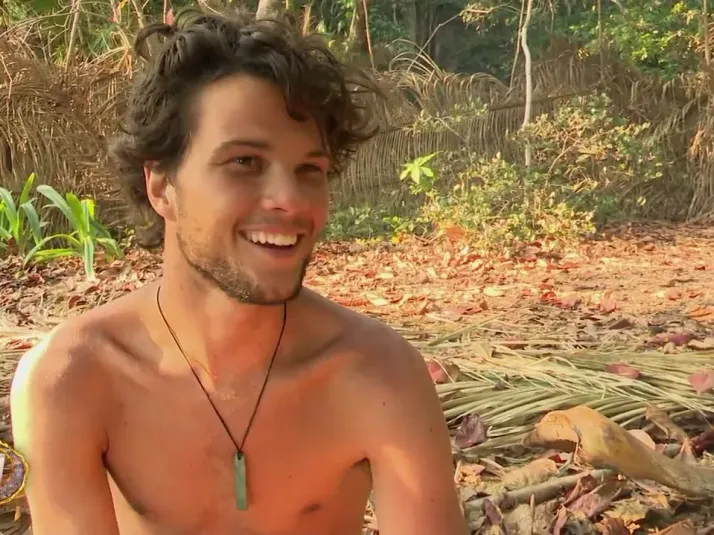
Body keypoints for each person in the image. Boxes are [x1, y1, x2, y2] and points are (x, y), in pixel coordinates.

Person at [10, 8, 468, 535]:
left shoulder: (379, 377)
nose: (289, 199)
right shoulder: (72, 380)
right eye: (244, 162)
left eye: (309, 170)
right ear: (161, 187)